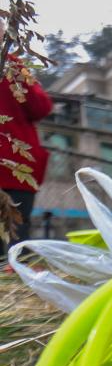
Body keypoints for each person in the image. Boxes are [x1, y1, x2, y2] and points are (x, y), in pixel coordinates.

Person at [0, 57, 52, 252]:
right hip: (17, 162)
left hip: (15, 162)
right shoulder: (12, 67)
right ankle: (18, 269)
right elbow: (40, 107)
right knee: (18, 228)